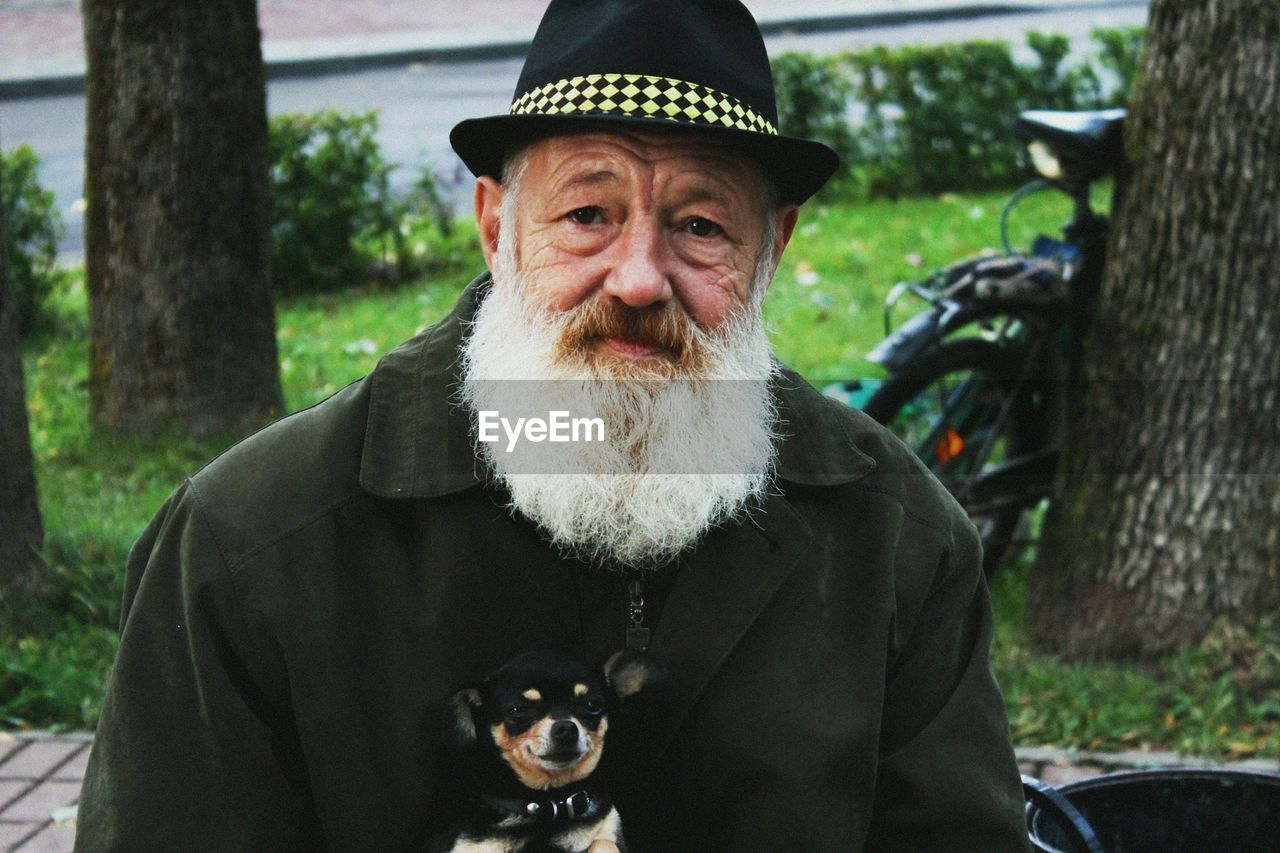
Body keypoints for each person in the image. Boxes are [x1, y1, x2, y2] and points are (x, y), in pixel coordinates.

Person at [75, 1, 1029, 849]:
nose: (640, 279)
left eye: (701, 225)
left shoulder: (893, 538)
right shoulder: (249, 547)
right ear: (496, 226)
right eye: (587, 213)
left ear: (770, 248)